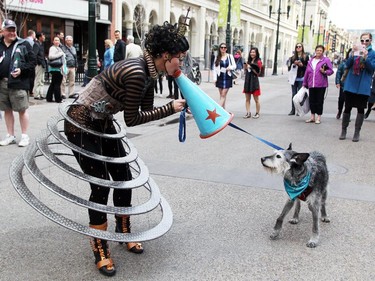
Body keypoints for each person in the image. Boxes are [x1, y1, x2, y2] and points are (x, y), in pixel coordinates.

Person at [63, 21, 188, 276]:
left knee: (124, 177)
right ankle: (99, 246)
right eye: (180, 58)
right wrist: (170, 108)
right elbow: (132, 120)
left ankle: (123, 231)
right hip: (80, 121)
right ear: (166, 56)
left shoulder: (150, 75)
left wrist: (182, 104)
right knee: (100, 184)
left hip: (102, 121)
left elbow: (144, 111)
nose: (182, 64)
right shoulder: (136, 72)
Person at [0, 19, 36, 147]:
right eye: (9, 30)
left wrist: (22, 70)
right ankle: (10, 135)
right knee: (6, 110)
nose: (12, 32)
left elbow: (32, 63)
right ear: (2, 31)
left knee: (22, 109)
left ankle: (25, 136)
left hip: (19, 82)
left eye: (13, 30)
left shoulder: (24, 44)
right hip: (2, 83)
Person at [340, 33, 375, 141]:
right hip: (351, 83)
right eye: (362, 40)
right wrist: (352, 54)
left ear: (371, 41)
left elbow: (371, 69)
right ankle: (344, 130)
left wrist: (365, 58)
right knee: (347, 107)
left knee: (360, 109)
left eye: (367, 40)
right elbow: (347, 65)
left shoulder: (372, 53)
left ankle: (356, 132)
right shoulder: (354, 51)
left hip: (363, 85)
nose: (364, 43)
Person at [303, 45, 333, 124]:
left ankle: (318, 117)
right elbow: (307, 72)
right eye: (317, 50)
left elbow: (331, 71)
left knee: (319, 101)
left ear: (323, 52)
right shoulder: (311, 61)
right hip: (311, 84)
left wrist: (325, 72)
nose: (319, 52)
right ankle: (312, 116)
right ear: (315, 51)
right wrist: (304, 83)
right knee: (312, 101)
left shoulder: (326, 60)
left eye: (320, 50)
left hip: (321, 84)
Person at [287, 43, 309, 115]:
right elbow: (289, 68)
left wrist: (302, 65)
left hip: (301, 77)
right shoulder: (293, 57)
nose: (298, 48)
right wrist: (293, 64)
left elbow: (308, 68)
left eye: (300, 46)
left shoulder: (305, 57)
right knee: (293, 94)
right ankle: (293, 110)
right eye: (297, 47)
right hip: (293, 78)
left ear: (302, 47)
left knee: (299, 96)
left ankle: (299, 110)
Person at [212, 43, 236, 109]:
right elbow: (214, 69)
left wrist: (230, 67)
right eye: (221, 47)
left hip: (228, 77)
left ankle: (218, 110)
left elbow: (234, 66)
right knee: (222, 95)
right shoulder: (217, 57)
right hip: (220, 77)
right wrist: (214, 78)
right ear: (219, 49)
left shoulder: (230, 56)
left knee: (223, 94)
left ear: (226, 49)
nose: (223, 49)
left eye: (224, 47)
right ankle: (224, 111)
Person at [242, 47, 262, 119]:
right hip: (248, 80)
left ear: (256, 53)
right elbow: (245, 71)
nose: (252, 53)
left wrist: (251, 67)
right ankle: (248, 112)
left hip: (254, 81)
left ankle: (257, 113)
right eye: (251, 52)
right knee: (247, 98)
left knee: (256, 99)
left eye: (254, 52)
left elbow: (258, 73)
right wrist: (245, 67)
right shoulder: (249, 61)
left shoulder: (258, 61)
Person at [46, 37, 66, 103]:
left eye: (58, 40)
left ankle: (49, 98)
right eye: (55, 40)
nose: (57, 41)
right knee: (57, 84)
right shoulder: (52, 48)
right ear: (53, 41)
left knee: (53, 83)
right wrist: (60, 54)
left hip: (57, 68)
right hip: (56, 68)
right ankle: (58, 99)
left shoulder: (58, 48)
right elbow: (51, 56)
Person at [335, 48, 351, 119]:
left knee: (349, 101)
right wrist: (338, 82)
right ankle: (339, 111)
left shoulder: (356, 63)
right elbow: (339, 72)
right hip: (343, 84)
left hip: (352, 85)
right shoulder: (344, 62)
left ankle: (347, 114)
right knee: (341, 99)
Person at [33, 32, 46, 100]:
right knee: (38, 79)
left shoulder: (41, 44)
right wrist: (37, 63)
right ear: (40, 37)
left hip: (42, 64)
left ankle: (41, 93)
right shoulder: (36, 44)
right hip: (39, 64)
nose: (44, 37)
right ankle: (36, 94)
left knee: (42, 80)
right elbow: (34, 55)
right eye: (43, 35)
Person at [25, 29, 37, 97]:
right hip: (31, 62)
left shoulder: (24, 41)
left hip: (25, 61)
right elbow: (33, 53)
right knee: (31, 77)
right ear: (33, 34)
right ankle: (30, 91)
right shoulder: (32, 42)